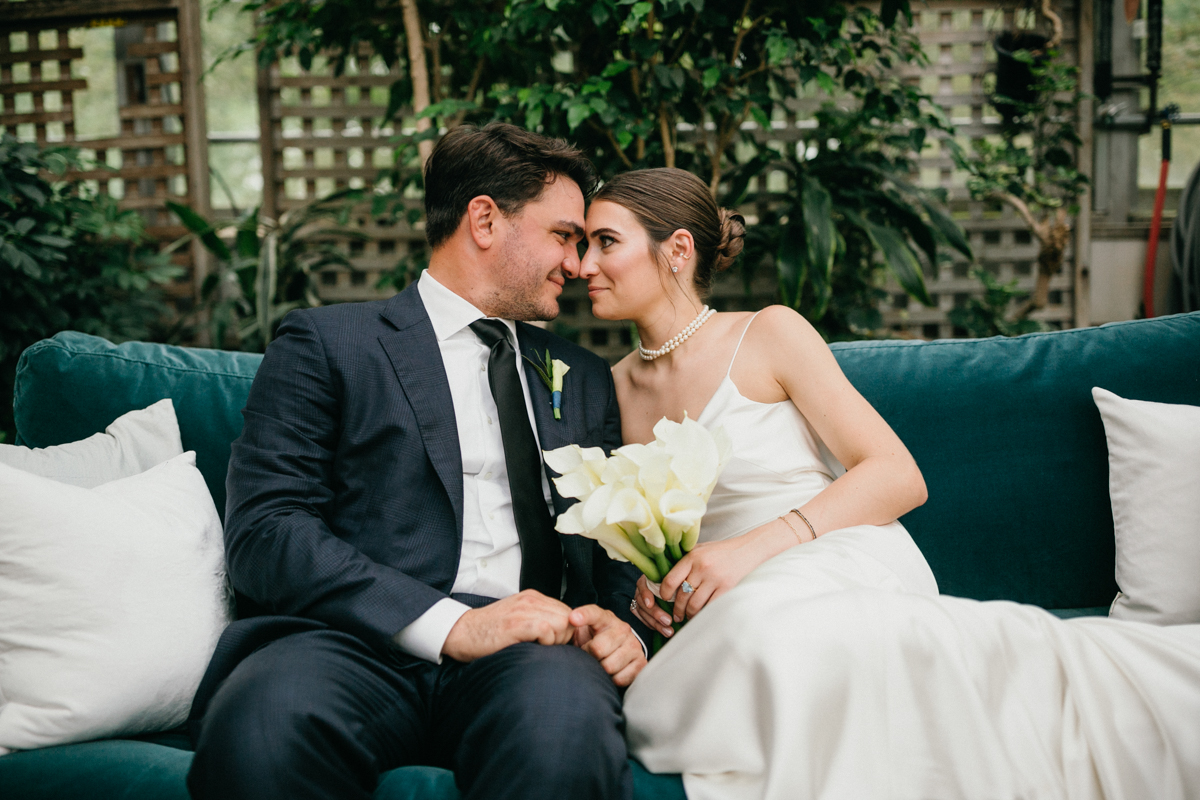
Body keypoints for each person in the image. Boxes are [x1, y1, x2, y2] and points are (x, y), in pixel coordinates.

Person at [576, 168, 1200, 800]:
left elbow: (898, 475)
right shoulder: (611, 387)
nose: (583, 266)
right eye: (583, 245)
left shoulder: (767, 333)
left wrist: (749, 551)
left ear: (677, 250)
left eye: (605, 242)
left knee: (779, 633)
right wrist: (659, 585)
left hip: (830, 551)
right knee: (700, 671)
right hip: (725, 597)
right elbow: (654, 524)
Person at [186, 123, 651, 800]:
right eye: (565, 235)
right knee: (263, 732)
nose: (579, 264)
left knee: (565, 735)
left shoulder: (578, 376)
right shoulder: (329, 343)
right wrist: (453, 625)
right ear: (485, 220)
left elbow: (614, 549)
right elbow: (267, 529)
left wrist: (622, 625)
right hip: (351, 645)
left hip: (531, 656)